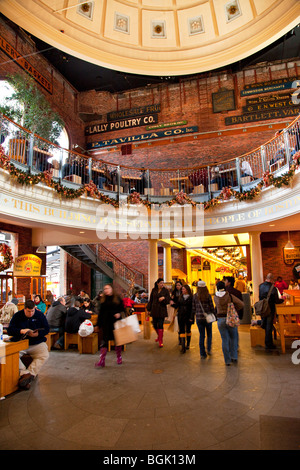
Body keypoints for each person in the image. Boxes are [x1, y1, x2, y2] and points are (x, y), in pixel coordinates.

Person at [7, 299, 49, 389]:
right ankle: (24, 373)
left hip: (36, 342)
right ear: (24, 309)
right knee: (12, 355)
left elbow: (47, 329)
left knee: (44, 355)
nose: (30, 313)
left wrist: (38, 334)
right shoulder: (17, 316)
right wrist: (21, 331)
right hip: (21, 342)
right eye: (28, 311)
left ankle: (30, 374)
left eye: (32, 311)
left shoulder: (40, 315)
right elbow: (10, 330)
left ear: (34, 309)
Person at [214, 281, 244, 366]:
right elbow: (241, 304)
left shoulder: (215, 297)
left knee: (225, 340)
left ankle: (227, 361)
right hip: (230, 318)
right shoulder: (229, 296)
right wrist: (234, 309)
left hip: (220, 319)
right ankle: (234, 357)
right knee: (233, 338)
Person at [95, 284, 124, 367]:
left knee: (117, 342)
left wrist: (119, 314)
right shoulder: (103, 300)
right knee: (104, 342)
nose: (106, 290)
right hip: (106, 324)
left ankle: (119, 357)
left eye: (107, 288)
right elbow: (100, 313)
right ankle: (102, 360)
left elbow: (122, 309)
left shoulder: (117, 298)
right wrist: (98, 325)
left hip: (115, 324)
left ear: (112, 289)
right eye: (105, 289)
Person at [258, 273, 284, 350]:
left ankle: (266, 341)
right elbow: (276, 300)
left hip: (262, 307)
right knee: (269, 326)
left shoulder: (261, 286)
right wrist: (282, 300)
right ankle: (268, 344)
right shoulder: (273, 288)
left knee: (264, 323)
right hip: (270, 309)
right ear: (272, 279)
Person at [192, 280, 215, 359]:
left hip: (199, 318)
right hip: (207, 318)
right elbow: (211, 307)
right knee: (209, 334)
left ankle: (202, 353)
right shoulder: (208, 296)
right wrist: (213, 314)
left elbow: (193, 308)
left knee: (202, 335)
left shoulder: (195, 296)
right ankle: (209, 349)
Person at [146, 278, 170, 348]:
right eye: (161, 283)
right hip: (154, 309)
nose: (162, 284)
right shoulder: (154, 290)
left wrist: (164, 298)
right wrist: (148, 309)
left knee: (160, 324)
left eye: (163, 283)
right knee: (154, 324)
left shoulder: (165, 291)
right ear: (157, 283)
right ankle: (159, 336)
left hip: (162, 309)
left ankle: (160, 340)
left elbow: (168, 299)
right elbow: (151, 300)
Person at [171, 284, 193, 354]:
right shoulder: (180, 297)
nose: (182, 290)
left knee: (188, 330)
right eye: (182, 289)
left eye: (183, 289)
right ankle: (183, 347)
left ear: (187, 290)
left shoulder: (191, 297)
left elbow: (193, 308)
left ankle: (188, 344)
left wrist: (192, 317)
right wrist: (172, 304)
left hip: (189, 316)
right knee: (182, 330)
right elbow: (177, 305)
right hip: (181, 315)